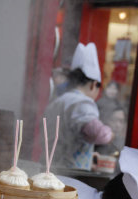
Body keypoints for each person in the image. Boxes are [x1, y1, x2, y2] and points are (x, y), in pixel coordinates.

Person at [44, 42, 114, 171]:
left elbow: (69, 138)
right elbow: (100, 134)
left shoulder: (59, 101)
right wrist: (111, 135)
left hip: (49, 168)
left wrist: (87, 157)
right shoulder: (82, 103)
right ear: (93, 85)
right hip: (69, 176)